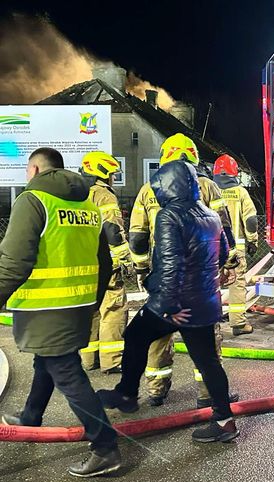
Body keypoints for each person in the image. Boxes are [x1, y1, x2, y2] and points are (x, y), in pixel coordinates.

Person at [98, 158, 240, 443]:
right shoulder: (210, 216)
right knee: (209, 362)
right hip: (204, 302)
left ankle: (126, 393)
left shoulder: (169, 216)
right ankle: (224, 422)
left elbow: (171, 263)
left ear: (168, 185)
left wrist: (170, 305)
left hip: (174, 302)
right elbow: (224, 255)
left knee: (136, 335)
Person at [0, 147, 120, 477]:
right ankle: (30, 418)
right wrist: (92, 302)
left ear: (35, 170)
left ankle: (105, 446)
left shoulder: (33, 200)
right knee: (48, 359)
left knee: (65, 370)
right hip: (78, 304)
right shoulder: (88, 203)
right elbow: (104, 261)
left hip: (45, 306)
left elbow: (14, 262)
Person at [128, 133, 237, 408]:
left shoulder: (147, 190)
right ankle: (208, 395)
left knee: (159, 335)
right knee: (205, 340)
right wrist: (227, 265)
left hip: (163, 277)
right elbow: (224, 230)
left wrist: (142, 271)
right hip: (201, 280)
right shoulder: (208, 187)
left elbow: (138, 236)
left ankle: (156, 389)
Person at [79, 151, 130, 374]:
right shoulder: (104, 196)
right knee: (113, 309)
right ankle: (112, 360)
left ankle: (89, 360)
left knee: (91, 312)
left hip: (83, 263)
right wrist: (125, 259)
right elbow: (112, 230)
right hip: (106, 263)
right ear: (102, 173)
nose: (113, 179)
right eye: (111, 174)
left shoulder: (77, 195)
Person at [213, 154, 258, 336]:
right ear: (234, 173)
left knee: (210, 285)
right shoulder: (240, 193)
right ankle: (238, 324)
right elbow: (251, 220)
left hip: (211, 249)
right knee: (236, 285)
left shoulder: (207, 191)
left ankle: (210, 322)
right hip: (234, 250)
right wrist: (252, 240)